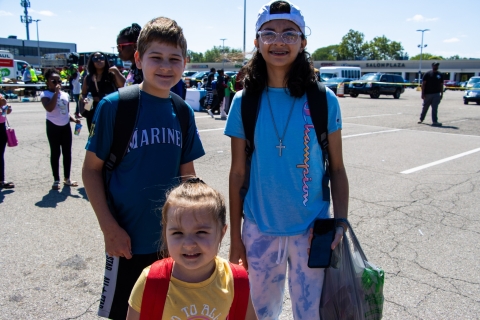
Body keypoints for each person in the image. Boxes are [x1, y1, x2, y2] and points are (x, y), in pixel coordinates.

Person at [224, 1, 349, 319]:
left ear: (303, 42)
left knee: (310, 315)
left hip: (312, 232)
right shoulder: (244, 101)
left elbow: (336, 168)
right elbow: (238, 173)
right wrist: (237, 237)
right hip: (259, 229)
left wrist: (340, 224)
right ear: (257, 41)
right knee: (261, 314)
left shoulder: (323, 99)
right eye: (270, 33)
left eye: (290, 34)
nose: (279, 41)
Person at [82, 16, 205, 320]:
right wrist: (109, 229)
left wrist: (200, 227)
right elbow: (91, 170)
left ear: (185, 63)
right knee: (126, 313)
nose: (166, 66)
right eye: (156, 57)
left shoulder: (182, 111)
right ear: (138, 58)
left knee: (168, 311)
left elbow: (187, 176)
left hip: (173, 241)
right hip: (126, 241)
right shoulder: (116, 106)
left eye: (174, 59)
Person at [126, 179, 257, 320]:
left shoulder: (236, 281)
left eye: (201, 232)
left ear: (222, 232)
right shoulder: (150, 281)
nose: (189, 244)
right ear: (165, 233)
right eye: (177, 233)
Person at [40, 68, 81, 190]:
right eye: (53, 80)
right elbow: (49, 108)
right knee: (55, 152)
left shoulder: (66, 95)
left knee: (67, 152)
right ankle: (56, 179)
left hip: (65, 126)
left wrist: (74, 120)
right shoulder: (45, 94)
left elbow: (66, 113)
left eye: (59, 81)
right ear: (47, 82)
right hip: (53, 126)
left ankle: (67, 178)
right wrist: (56, 93)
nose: (57, 83)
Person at [81, 52, 125, 131]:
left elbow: (124, 85)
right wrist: (84, 99)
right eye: (95, 59)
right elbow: (83, 94)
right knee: (94, 135)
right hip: (92, 111)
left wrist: (116, 71)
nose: (99, 60)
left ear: (105, 60)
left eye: (101, 58)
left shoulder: (112, 74)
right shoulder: (88, 77)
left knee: (110, 134)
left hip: (109, 110)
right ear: (92, 62)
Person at [419, 61, 443, 126]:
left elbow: (441, 85)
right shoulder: (427, 74)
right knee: (425, 107)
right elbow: (423, 84)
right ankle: (421, 119)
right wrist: (422, 93)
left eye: (437, 66)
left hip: (436, 94)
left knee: (435, 108)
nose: (436, 67)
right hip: (428, 94)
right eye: (435, 65)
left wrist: (441, 94)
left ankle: (435, 121)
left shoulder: (440, 75)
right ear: (432, 66)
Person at [0, 94, 14, 189]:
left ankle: (1, 180)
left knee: (0, 155)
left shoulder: (1, 96)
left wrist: (6, 108)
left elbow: (4, 114)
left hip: (1, 127)